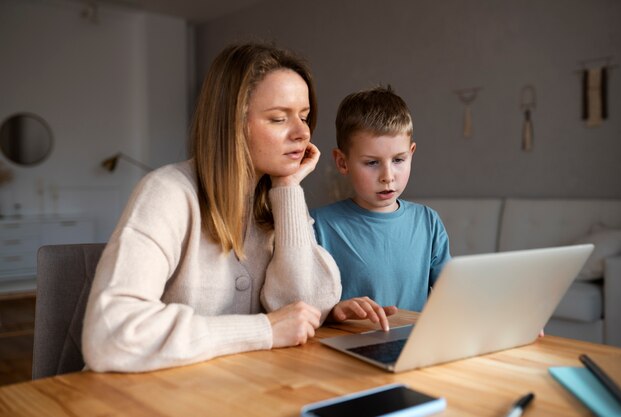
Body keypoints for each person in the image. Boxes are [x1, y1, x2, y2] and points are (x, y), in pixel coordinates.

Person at [82, 42, 342, 373]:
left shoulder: (275, 201)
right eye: (279, 118)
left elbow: (306, 311)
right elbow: (110, 335)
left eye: (304, 117)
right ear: (233, 121)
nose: (302, 132)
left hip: (233, 390)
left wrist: (288, 188)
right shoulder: (167, 193)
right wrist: (264, 330)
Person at [311, 85, 451, 332]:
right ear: (342, 163)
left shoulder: (428, 222)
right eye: (372, 163)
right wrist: (332, 312)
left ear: (411, 153)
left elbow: (454, 300)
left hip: (412, 350)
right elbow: (300, 306)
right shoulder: (318, 226)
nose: (388, 176)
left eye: (398, 160)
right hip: (346, 352)